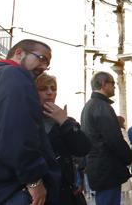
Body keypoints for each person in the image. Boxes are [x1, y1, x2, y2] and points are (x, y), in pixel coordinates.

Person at [0, 39, 61, 205]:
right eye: (41, 58)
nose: (44, 67)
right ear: (19, 53)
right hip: (14, 187)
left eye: (47, 64)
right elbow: (16, 133)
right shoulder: (15, 75)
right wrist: (33, 179)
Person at [35, 73, 92, 205]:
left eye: (53, 88)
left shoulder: (66, 121)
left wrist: (64, 122)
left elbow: (83, 148)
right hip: (40, 193)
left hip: (64, 193)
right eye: (43, 89)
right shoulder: (27, 120)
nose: (50, 92)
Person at [81, 72, 132, 205]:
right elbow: (114, 139)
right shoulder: (101, 107)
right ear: (103, 84)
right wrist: (128, 157)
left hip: (100, 167)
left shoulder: (90, 106)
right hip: (107, 168)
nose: (115, 87)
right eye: (112, 83)